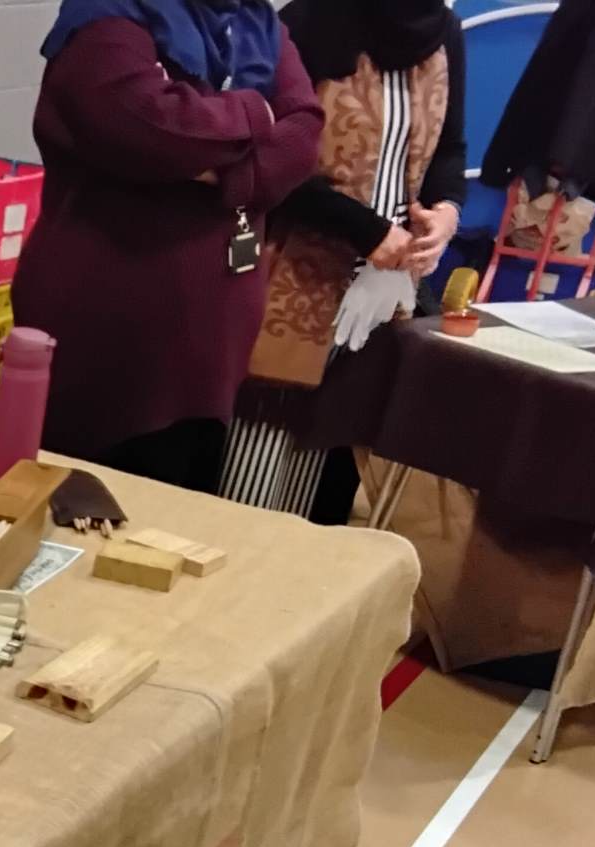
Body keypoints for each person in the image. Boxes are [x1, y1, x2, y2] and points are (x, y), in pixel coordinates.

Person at [10, 0, 324, 492]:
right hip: (111, 326)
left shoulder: (255, 22)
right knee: (85, 510)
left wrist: (225, 170)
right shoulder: (106, 16)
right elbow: (147, 126)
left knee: (180, 514)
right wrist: (256, 112)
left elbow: (303, 136)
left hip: (216, 337)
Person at [218, 0, 467, 520]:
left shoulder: (442, 31)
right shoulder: (308, 21)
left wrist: (446, 212)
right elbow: (266, 155)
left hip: (385, 291)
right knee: (254, 476)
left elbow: (449, 148)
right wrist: (365, 229)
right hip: (295, 270)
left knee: (331, 468)